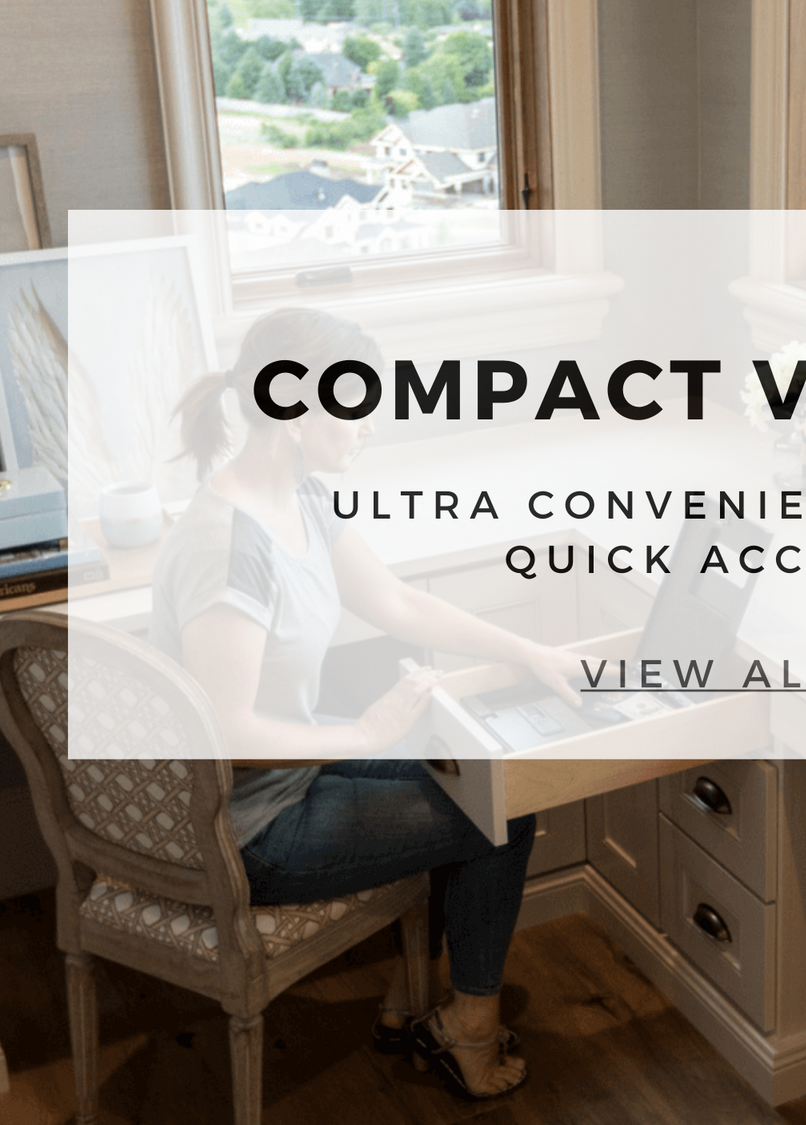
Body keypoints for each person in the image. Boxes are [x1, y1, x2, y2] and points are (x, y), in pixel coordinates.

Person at [150, 308, 586, 1099]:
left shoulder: (300, 498)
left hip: (299, 766)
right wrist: (360, 730)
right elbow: (224, 732)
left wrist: (533, 653)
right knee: (504, 812)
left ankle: (410, 1001)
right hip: (249, 825)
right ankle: (466, 1032)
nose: (371, 425)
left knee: (482, 773)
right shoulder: (230, 546)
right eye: (360, 405)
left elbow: (398, 604)